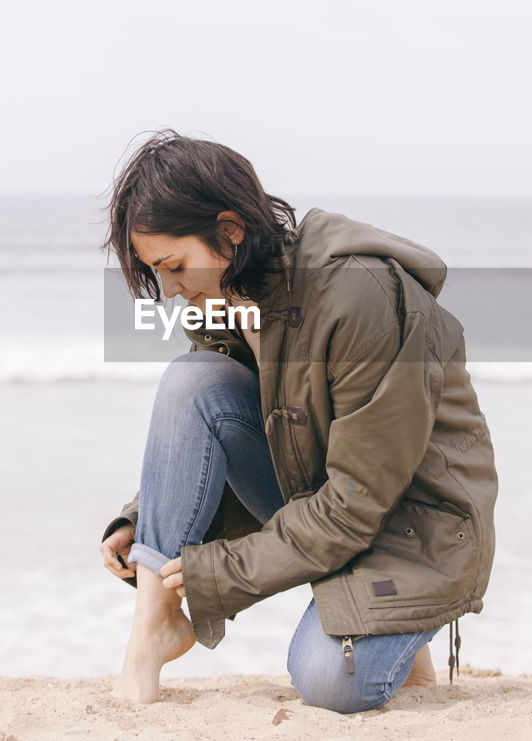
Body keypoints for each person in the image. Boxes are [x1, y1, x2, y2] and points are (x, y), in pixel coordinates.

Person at [98, 131, 497, 713]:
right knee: (193, 379)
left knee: (329, 680)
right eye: (158, 272)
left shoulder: (359, 295)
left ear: (230, 231)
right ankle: (152, 626)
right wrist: (143, 521)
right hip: (327, 492)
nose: (172, 289)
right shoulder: (227, 293)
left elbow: (360, 498)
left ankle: (405, 623)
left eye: (175, 265)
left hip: (414, 524)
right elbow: (205, 420)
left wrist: (216, 572)